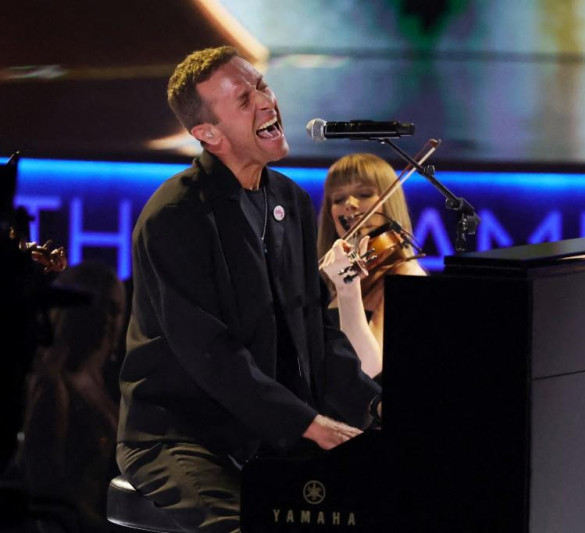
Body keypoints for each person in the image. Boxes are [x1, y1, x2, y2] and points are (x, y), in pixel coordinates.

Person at [116, 46, 381, 532]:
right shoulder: (174, 216)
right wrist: (306, 423)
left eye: (261, 85)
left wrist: (373, 406)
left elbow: (316, 330)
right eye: (243, 99)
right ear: (208, 134)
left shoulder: (291, 201)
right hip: (183, 435)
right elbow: (212, 354)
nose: (266, 102)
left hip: (271, 427)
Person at [15, 261, 125, 532]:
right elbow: (45, 492)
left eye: (114, 310)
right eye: (97, 308)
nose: (107, 321)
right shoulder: (54, 386)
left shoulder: (103, 383)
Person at [317, 153, 426, 378]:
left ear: (389, 203)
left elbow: (366, 367)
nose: (350, 205)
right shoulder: (327, 281)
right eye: (338, 199)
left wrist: (348, 285)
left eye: (364, 194)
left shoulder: (406, 274)